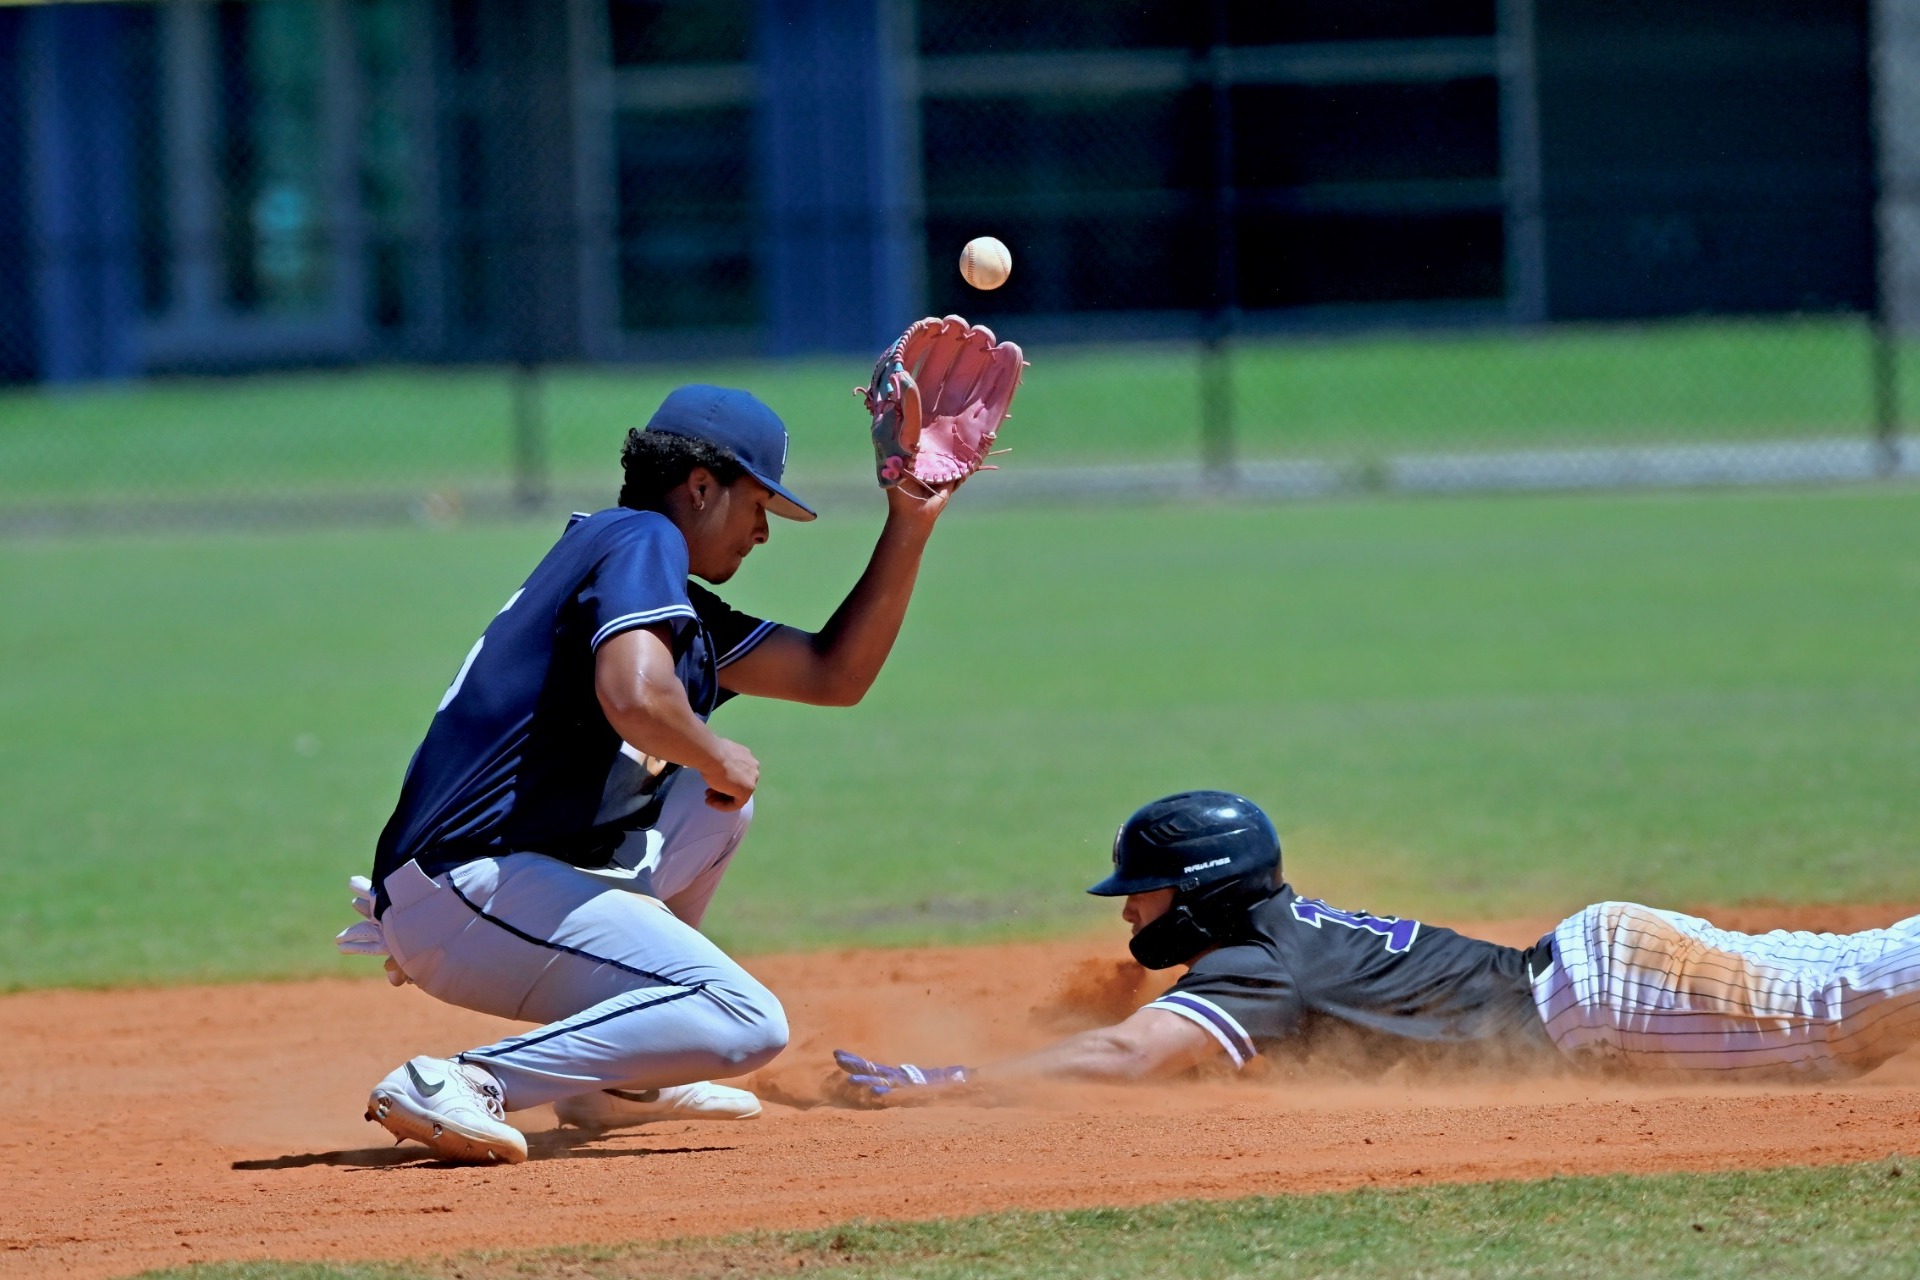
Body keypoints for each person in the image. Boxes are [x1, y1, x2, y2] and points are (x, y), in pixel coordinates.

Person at [342, 384, 966, 1163]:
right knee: (746, 1020)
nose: (764, 532)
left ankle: (616, 1079)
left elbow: (834, 674)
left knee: (716, 808)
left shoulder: (652, 586)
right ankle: (462, 1081)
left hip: (494, 883)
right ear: (700, 487)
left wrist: (909, 518)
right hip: (469, 884)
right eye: (758, 503)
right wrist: (714, 748)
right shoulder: (639, 538)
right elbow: (634, 695)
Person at [833, 791, 1920, 1102]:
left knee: (1847, 1008)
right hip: (1602, 975)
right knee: (1846, 986)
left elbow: (1126, 1058)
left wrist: (958, 1080)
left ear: (1203, 893)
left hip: (1611, 997)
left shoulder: (1257, 964)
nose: (1128, 912)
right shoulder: (1272, 933)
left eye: (1144, 892)